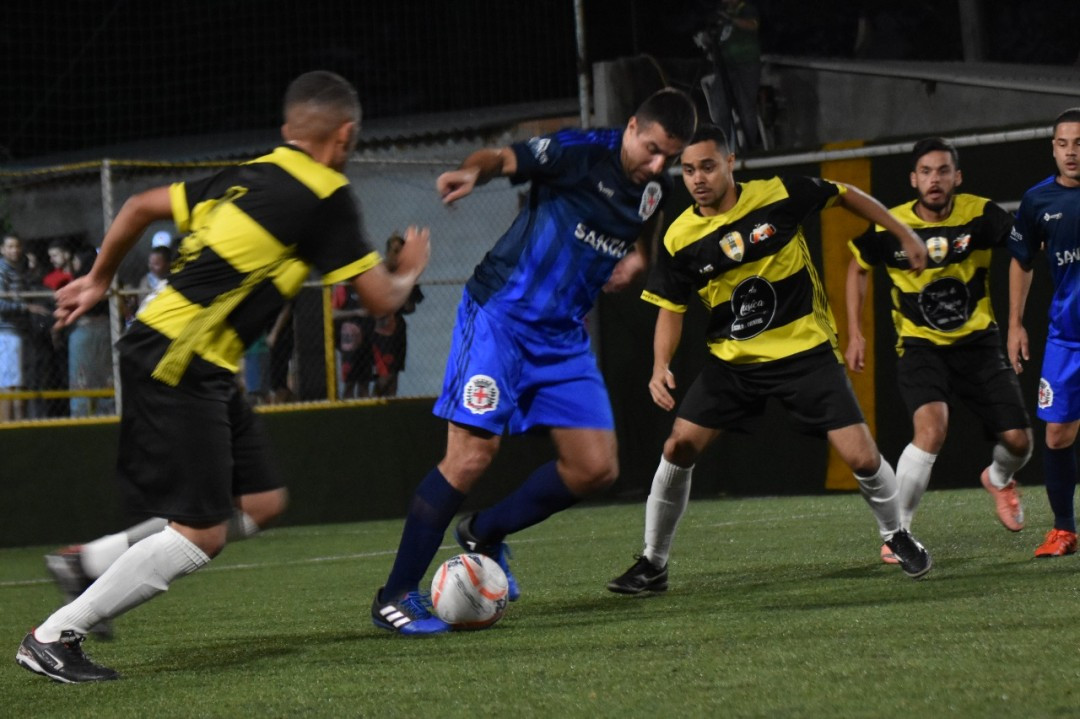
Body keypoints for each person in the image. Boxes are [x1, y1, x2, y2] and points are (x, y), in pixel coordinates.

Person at [15, 70, 430, 683]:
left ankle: (91, 562)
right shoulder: (327, 195)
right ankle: (53, 636)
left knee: (262, 502)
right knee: (202, 534)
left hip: (192, 357)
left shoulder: (246, 174)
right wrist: (409, 268)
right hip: (178, 358)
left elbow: (136, 206)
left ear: (289, 130)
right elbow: (380, 300)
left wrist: (101, 279)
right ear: (345, 136)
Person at [371, 88, 697, 635]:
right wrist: (473, 174)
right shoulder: (581, 152)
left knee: (595, 470)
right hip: (500, 318)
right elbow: (502, 157)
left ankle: (483, 532)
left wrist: (638, 257)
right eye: (653, 148)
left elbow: (641, 229)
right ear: (633, 126)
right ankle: (396, 594)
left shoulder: (653, 189)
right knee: (471, 457)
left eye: (672, 156)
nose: (659, 163)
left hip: (563, 337)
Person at [607, 124, 933, 597]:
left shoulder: (778, 194)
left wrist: (903, 232)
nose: (698, 178)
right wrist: (660, 365)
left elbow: (845, 193)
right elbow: (670, 309)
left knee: (862, 457)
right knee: (678, 447)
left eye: (708, 166)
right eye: (689, 169)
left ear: (731, 162)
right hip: (732, 365)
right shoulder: (680, 236)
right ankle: (653, 564)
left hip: (805, 352)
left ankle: (895, 533)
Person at [845, 137, 1032, 564]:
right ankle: (900, 533)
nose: (935, 180)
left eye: (943, 171)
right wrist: (855, 332)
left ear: (957, 177)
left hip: (979, 343)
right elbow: (858, 265)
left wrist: (1017, 323)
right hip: (920, 345)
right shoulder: (890, 225)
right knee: (931, 429)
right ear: (913, 178)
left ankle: (1000, 478)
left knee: (1019, 442)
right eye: (926, 171)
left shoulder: (981, 214)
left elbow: (1023, 248)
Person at [1008, 107, 1080, 558]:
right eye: (1064, 144)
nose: (1072, 153)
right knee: (1056, 435)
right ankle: (1064, 529)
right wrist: (1015, 323)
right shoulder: (1038, 201)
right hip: (1066, 337)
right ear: (1052, 148)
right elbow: (1022, 260)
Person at [695, 0, 761, 151]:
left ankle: (748, 148)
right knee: (719, 107)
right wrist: (706, 40)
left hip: (746, 65)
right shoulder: (723, 14)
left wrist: (730, 19)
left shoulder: (746, 8)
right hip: (724, 66)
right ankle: (723, 147)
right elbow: (721, 38)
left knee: (746, 107)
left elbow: (752, 25)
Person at [0, 235, 52, 420]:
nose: (15, 250)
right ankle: (7, 427)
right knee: (9, 383)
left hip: (20, 331)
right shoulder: (2, 271)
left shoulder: (19, 270)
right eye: (10, 246)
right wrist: (25, 307)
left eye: (17, 246)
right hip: (7, 332)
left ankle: (19, 426)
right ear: (2, 249)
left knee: (18, 382)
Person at [370, 232, 424, 397]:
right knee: (384, 376)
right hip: (380, 333)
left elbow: (411, 307)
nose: (398, 256)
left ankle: (389, 413)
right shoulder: (379, 272)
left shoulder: (406, 274)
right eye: (395, 251)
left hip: (397, 332)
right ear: (387, 253)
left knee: (394, 378)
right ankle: (373, 405)